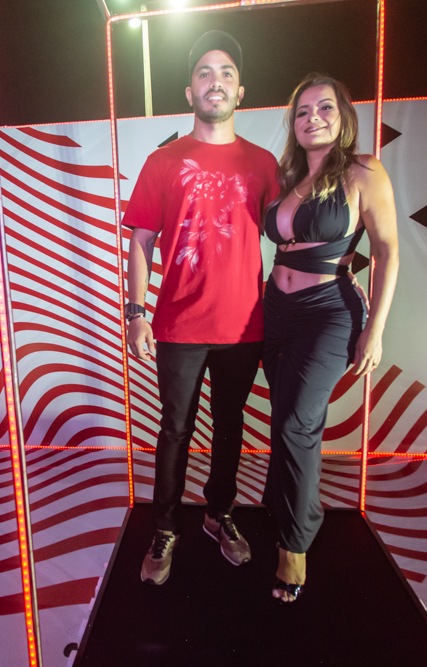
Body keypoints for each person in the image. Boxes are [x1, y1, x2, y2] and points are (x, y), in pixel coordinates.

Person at [123, 31, 280, 586]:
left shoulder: (264, 164)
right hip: (179, 325)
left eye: (227, 72)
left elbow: (291, 235)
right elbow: (140, 241)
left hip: (245, 326)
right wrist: (135, 313)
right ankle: (165, 527)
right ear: (190, 92)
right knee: (175, 428)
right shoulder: (162, 161)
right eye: (205, 73)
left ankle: (219, 513)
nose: (217, 81)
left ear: (242, 91)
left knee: (230, 425)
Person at [262, 74, 399, 603]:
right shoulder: (286, 177)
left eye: (324, 108)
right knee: (286, 416)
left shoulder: (364, 171)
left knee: (296, 422)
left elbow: (386, 251)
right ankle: (288, 506)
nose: (312, 117)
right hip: (276, 310)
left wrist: (375, 330)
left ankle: (294, 546)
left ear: (343, 117)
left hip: (328, 312)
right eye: (302, 111)